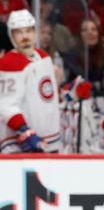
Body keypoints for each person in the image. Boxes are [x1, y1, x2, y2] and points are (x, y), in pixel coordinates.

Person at [0, 9, 61, 153]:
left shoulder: (44, 57)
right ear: (11, 36)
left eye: (28, 31)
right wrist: (24, 130)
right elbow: (5, 105)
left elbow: (47, 94)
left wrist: (72, 93)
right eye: (19, 32)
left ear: (34, 32)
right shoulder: (9, 63)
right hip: (20, 145)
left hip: (50, 140)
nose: (25, 37)